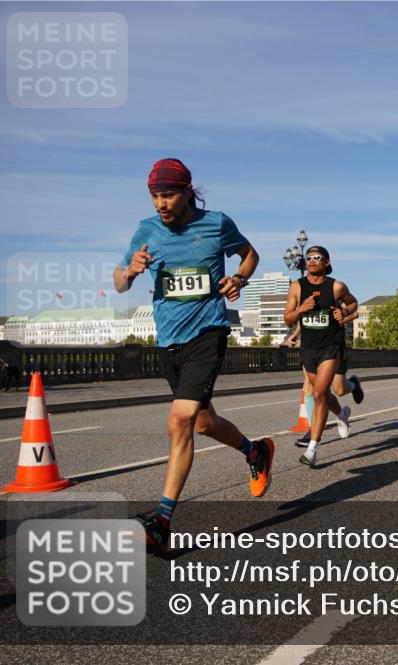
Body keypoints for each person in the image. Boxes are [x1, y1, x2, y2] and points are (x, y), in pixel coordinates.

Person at [113, 158, 274, 553]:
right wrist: (130, 271)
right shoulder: (145, 230)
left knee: (179, 420)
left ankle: (162, 521)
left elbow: (250, 255)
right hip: (169, 340)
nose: (160, 204)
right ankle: (256, 451)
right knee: (202, 423)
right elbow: (118, 283)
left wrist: (238, 278)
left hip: (208, 332)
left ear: (187, 191)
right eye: (154, 196)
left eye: (167, 195)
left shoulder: (216, 223)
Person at [284, 246, 364, 467]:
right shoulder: (296, 287)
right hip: (308, 348)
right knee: (325, 394)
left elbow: (353, 302)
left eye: (317, 258)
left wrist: (345, 312)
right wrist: (301, 309)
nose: (311, 261)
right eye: (308, 257)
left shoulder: (336, 286)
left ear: (327, 262)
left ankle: (312, 448)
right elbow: (288, 318)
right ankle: (341, 414)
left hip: (331, 345)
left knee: (319, 392)